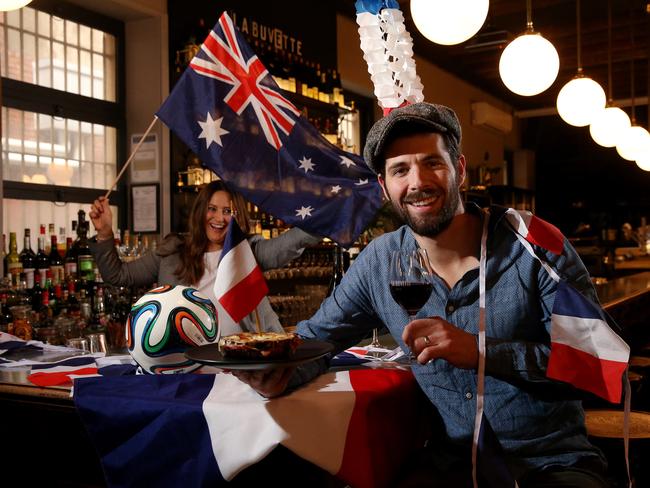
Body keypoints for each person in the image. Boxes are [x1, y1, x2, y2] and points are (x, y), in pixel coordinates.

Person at [233, 102, 611, 487]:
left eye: (432, 163)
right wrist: (281, 374)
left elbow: (597, 364)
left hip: (548, 462)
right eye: (400, 169)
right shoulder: (380, 261)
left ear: (459, 170)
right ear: (384, 186)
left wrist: (482, 352)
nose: (417, 182)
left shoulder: (535, 245)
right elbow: (317, 339)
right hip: (453, 463)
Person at [88, 180, 321, 335]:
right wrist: (105, 232)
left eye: (227, 211)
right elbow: (117, 275)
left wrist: (329, 216)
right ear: (201, 212)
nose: (219, 218)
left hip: (240, 363)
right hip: (184, 362)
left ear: (237, 216)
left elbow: (290, 243)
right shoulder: (173, 251)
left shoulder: (246, 251)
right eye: (212, 209)